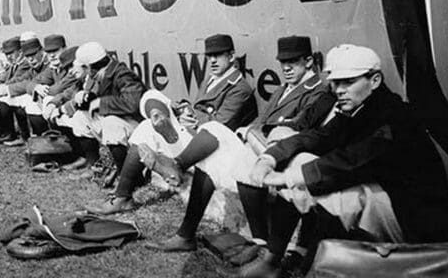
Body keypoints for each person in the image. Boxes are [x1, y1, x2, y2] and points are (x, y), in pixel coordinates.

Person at [236, 44, 448, 277]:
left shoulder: (394, 116)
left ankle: (312, 264)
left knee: (333, 193)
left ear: (375, 80)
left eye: (348, 82)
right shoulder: (362, 107)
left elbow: (350, 161)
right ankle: (275, 260)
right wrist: (270, 158)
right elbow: (317, 137)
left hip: (418, 222)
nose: (339, 89)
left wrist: (288, 178)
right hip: (388, 202)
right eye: (336, 82)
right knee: (303, 164)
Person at [143, 36, 334, 256]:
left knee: (215, 128)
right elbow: (262, 119)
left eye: (294, 61)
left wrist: (254, 131)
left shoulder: (317, 90)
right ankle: (187, 235)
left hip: (282, 155)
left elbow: (300, 127)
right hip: (258, 147)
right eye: (282, 62)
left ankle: (176, 165)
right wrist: (250, 130)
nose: (286, 67)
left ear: (309, 61)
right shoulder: (283, 89)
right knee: (211, 163)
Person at [86, 34, 258, 215]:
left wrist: (194, 117)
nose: (213, 61)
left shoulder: (239, 87)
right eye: (209, 56)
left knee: (148, 129)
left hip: (211, 148)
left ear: (231, 56)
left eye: (218, 55)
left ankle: (128, 193)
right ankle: (125, 194)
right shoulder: (211, 78)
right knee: (148, 118)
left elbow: (221, 127)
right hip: (195, 134)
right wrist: (184, 109)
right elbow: (200, 109)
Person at [67, 41, 146, 188]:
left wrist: (100, 103)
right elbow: (91, 100)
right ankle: (96, 167)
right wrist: (83, 98)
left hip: (138, 127)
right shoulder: (98, 75)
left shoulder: (123, 74)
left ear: (90, 67)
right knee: (80, 118)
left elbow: (132, 103)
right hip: (121, 122)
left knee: (111, 123)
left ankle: (127, 178)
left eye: (87, 68)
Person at [0, 36, 33, 140]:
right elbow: (1, 78)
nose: (9, 56)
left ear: (20, 51)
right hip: (15, 91)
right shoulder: (13, 64)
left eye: (11, 53)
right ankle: (2, 130)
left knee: (6, 99)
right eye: (6, 54)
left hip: (23, 92)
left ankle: (17, 134)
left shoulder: (25, 63)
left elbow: (15, 80)